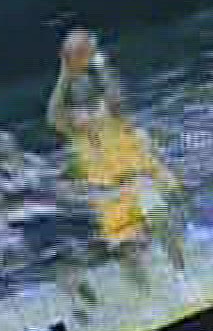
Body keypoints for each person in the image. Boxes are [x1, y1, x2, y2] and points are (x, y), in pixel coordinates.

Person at [46, 29, 186, 294]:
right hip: (108, 192)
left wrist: (100, 63)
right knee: (126, 252)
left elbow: (117, 93)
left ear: (93, 85)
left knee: (162, 224)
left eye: (84, 80)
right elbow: (53, 114)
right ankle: (148, 297)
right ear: (71, 94)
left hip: (137, 180)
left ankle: (183, 280)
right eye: (75, 83)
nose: (80, 83)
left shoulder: (110, 108)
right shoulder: (73, 123)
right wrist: (65, 73)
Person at [0, 129, 100, 318]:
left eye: (7, 142)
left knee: (68, 258)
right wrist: (2, 227)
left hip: (48, 214)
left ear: (14, 143)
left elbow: (53, 182)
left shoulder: (32, 160)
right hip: (26, 222)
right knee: (56, 264)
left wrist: (72, 192)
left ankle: (78, 289)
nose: (5, 146)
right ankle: (76, 303)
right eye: (0, 144)